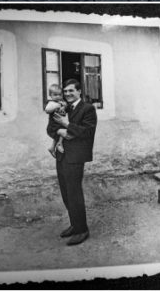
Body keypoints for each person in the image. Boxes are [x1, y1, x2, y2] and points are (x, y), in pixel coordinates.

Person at [46, 79, 97, 245]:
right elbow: (50, 128)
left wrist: (66, 124)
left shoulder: (88, 109)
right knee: (66, 193)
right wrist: (60, 130)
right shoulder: (62, 106)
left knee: (74, 193)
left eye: (71, 91)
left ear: (79, 92)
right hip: (61, 155)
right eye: (65, 91)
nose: (67, 94)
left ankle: (82, 230)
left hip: (75, 157)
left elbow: (87, 132)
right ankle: (75, 225)